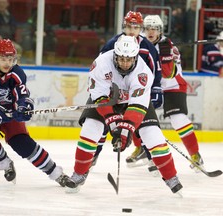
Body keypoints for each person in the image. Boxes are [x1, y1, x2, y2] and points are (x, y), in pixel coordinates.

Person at [64, 35, 183, 195]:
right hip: (106, 100)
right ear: (115, 55)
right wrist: (114, 125)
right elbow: (100, 99)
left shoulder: (143, 72)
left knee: (153, 136)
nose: (125, 63)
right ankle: (79, 173)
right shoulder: (100, 64)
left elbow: (137, 107)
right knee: (90, 129)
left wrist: (125, 131)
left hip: (133, 102)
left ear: (135, 57)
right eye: (121, 59)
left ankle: (171, 177)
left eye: (129, 60)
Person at [0, 38, 69, 186]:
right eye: (3, 58)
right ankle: (4, 162)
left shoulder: (17, 73)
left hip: (8, 113)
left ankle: (56, 173)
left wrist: (23, 107)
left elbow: (22, 96)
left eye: (11, 58)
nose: (7, 63)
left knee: (23, 144)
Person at [94, 11, 163, 169]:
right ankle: (94, 154)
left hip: (137, 92)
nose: (132, 30)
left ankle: (150, 156)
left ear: (141, 29)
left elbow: (155, 70)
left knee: (144, 124)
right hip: (114, 92)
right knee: (105, 123)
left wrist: (156, 88)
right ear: (123, 26)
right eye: (128, 26)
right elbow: (100, 67)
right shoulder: (112, 44)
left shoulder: (147, 46)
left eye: (136, 27)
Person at [143, 14, 204, 171]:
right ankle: (145, 152)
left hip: (172, 85)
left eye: (154, 28)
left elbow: (168, 74)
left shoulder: (165, 46)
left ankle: (195, 155)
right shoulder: (140, 44)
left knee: (178, 120)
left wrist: (162, 56)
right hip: (152, 86)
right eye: (148, 28)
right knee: (139, 116)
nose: (151, 31)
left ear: (160, 30)